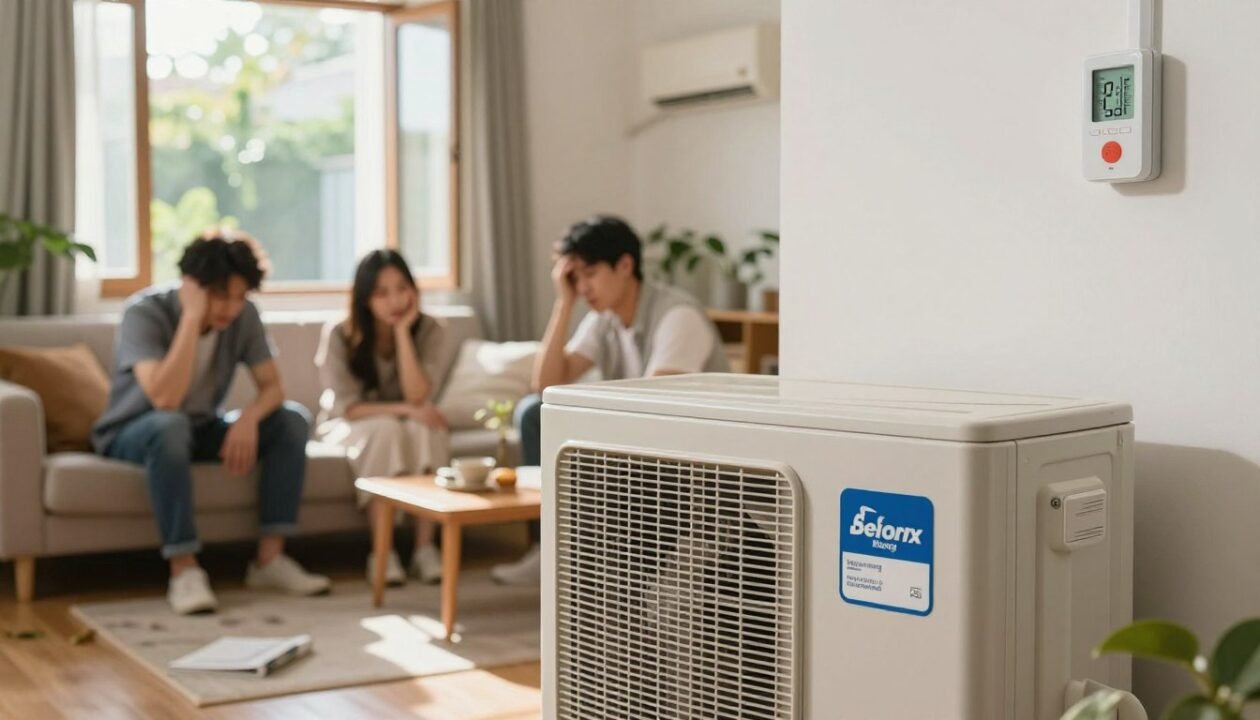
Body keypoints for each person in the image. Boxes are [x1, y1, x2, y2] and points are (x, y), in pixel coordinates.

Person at [91, 231, 330, 615]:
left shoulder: (243, 315)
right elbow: (164, 399)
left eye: (240, 297)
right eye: (221, 294)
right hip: (133, 431)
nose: (231, 308)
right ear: (192, 285)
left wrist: (248, 418)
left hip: (197, 428)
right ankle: (184, 569)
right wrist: (191, 317)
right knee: (170, 425)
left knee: (291, 421)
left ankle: (269, 561)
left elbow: (272, 388)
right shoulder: (144, 313)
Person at [490, 215, 729, 586]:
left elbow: (655, 407)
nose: (583, 287)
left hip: (693, 452)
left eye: (589, 274)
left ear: (625, 265)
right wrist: (563, 304)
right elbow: (546, 384)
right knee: (535, 413)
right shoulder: (605, 319)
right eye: (575, 278)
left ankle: (583, 557)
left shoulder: (677, 315)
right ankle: (549, 546)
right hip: (638, 436)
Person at [314, 250, 449, 586]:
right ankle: (382, 552)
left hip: (404, 421)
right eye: (381, 293)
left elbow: (419, 396)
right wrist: (404, 409)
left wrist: (403, 333)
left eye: (401, 288)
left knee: (425, 426)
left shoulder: (429, 329)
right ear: (365, 298)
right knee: (388, 429)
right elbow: (349, 407)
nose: (395, 301)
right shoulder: (339, 334)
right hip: (345, 425)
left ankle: (424, 548)